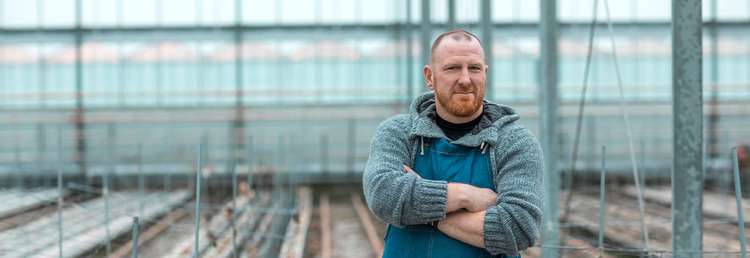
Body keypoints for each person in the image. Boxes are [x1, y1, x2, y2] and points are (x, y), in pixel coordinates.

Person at [363, 30, 544, 257]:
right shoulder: (399, 132)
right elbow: (383, 196)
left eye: (475, 68)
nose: (465, 79)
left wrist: (425, 212)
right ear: (430, 77)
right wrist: (470, 197)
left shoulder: (514, 142)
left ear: (485, 74)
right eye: (453, 68)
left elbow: (518, 229)